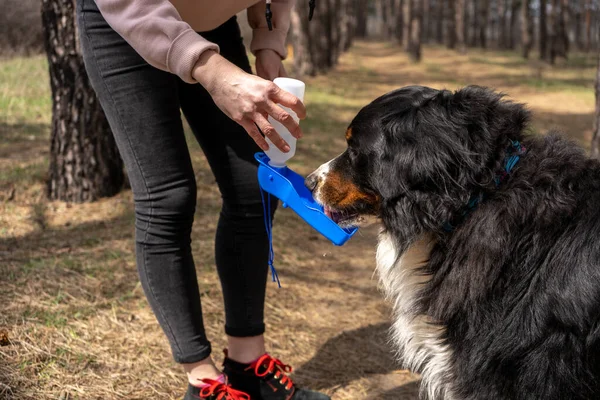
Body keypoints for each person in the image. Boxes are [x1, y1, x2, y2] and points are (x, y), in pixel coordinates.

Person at [75, 0, 329, 399]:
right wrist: (213, 73)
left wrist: (267, 44)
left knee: (252, 187)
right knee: (168, 199)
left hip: (210, 27)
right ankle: (202, 380)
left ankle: (248, 364)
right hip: (128, 20)